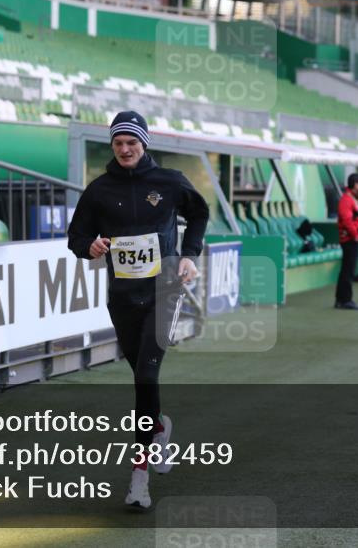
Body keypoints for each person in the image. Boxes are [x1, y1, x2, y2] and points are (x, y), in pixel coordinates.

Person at [66, 111, 209, 509]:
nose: (125, 149)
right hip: (123, 296)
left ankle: (139, 477)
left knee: (146, 374)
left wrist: (188, 254)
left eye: (132, 142)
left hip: (165, 289)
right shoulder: (98, 190)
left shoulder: (169, 181)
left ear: (144, 144)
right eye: (118, 143)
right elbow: (77, 236)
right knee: (143, 375)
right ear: (112, 146)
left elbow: (199, 213)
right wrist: (89, 247)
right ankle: (159, 428)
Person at [335, 173, 358, 310]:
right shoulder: (347, 200)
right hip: (349, 240)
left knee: (347, 270)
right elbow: (347, 221)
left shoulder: (351, 198)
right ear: (355, 185)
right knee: (348, 271)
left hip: (352, 239)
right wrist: (355, 235)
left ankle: (341, 299)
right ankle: (345, 300)